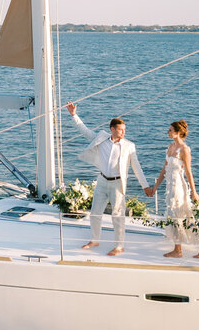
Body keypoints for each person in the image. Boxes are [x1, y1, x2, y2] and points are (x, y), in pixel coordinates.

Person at [66, 101, 154, 256]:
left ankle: (119, 246)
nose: (123, 132)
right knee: (95, 212)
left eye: (124, 130)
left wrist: (145, 186)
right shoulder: (101, 138)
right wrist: (74, 115)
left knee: (117, 215)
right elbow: (85, 131)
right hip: (102, 180)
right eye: (120, 130)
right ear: (112, 129)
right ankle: (95, 239)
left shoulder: (129, 146)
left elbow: (137, 168)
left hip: (118, 183)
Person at [151, 120, 199, 259]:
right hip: (169, 186)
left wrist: (194, 192)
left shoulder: (184, 149)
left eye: (170, 130)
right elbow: (164, 169)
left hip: (178, 187)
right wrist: (155, 187)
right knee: (180, 216)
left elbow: (189, 171)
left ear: (178, 133)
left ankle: (179, 250)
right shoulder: (170, 146)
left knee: (179, 215)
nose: (168, 132)